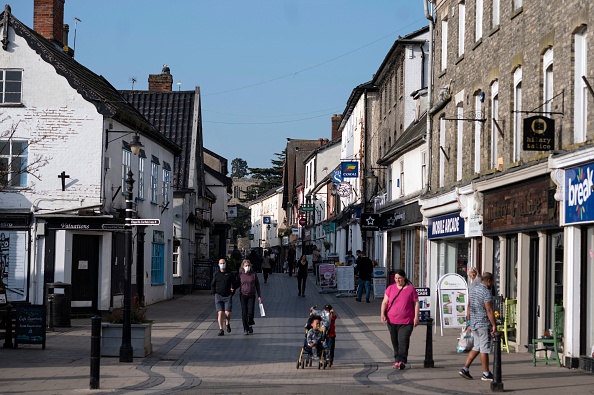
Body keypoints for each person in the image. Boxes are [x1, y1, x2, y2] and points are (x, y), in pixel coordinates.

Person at [459, 272, 497, 381]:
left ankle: (465, 369)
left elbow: (469, 307)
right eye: (492, 281)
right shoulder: (486, 292)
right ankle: (486, 373)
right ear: (489, 280)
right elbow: (489, 310)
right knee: (484, 348)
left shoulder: (473, 290)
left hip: (474, 323)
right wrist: (494, 324)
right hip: (483, 323)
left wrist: (469, 322)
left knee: (477, 347)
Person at [380, 269, 420, 370]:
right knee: (395, 342)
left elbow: (416, 303)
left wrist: (416, 317)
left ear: (404, 278)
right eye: (396, 278)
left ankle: (401, 361)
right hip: (392, 320)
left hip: (406, 321)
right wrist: (382, 314)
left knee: (403, 341)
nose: (397, 280)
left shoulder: (411, 289)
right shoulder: (390, 288)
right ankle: (397, 360)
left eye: (399, 278)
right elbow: (385, 302)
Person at [211, 258, 237, 336]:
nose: (222, 264)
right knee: (220, 313)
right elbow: (213, 284)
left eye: (223, 263)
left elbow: (234, 284)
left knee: (227, 313)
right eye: (221, 263)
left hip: (228, 296)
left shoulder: (230, 274)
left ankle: (227, 323)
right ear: (218, 265)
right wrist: (214, 293)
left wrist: (233, 290)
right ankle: (221, 329)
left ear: (226, 264)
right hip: (218, 295)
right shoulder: (216, 274)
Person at [238, 259, 262, 335]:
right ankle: (246, 328)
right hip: (243, 295)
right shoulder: (241, 274)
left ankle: (250, 323)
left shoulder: (253, 274)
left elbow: (257, 285)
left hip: (251, 295)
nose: (247, 267)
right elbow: (237, 283)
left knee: (251, 312)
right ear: (243, 266)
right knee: (244, 312)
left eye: (248, 265)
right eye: (246, 266)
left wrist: (259, 296)